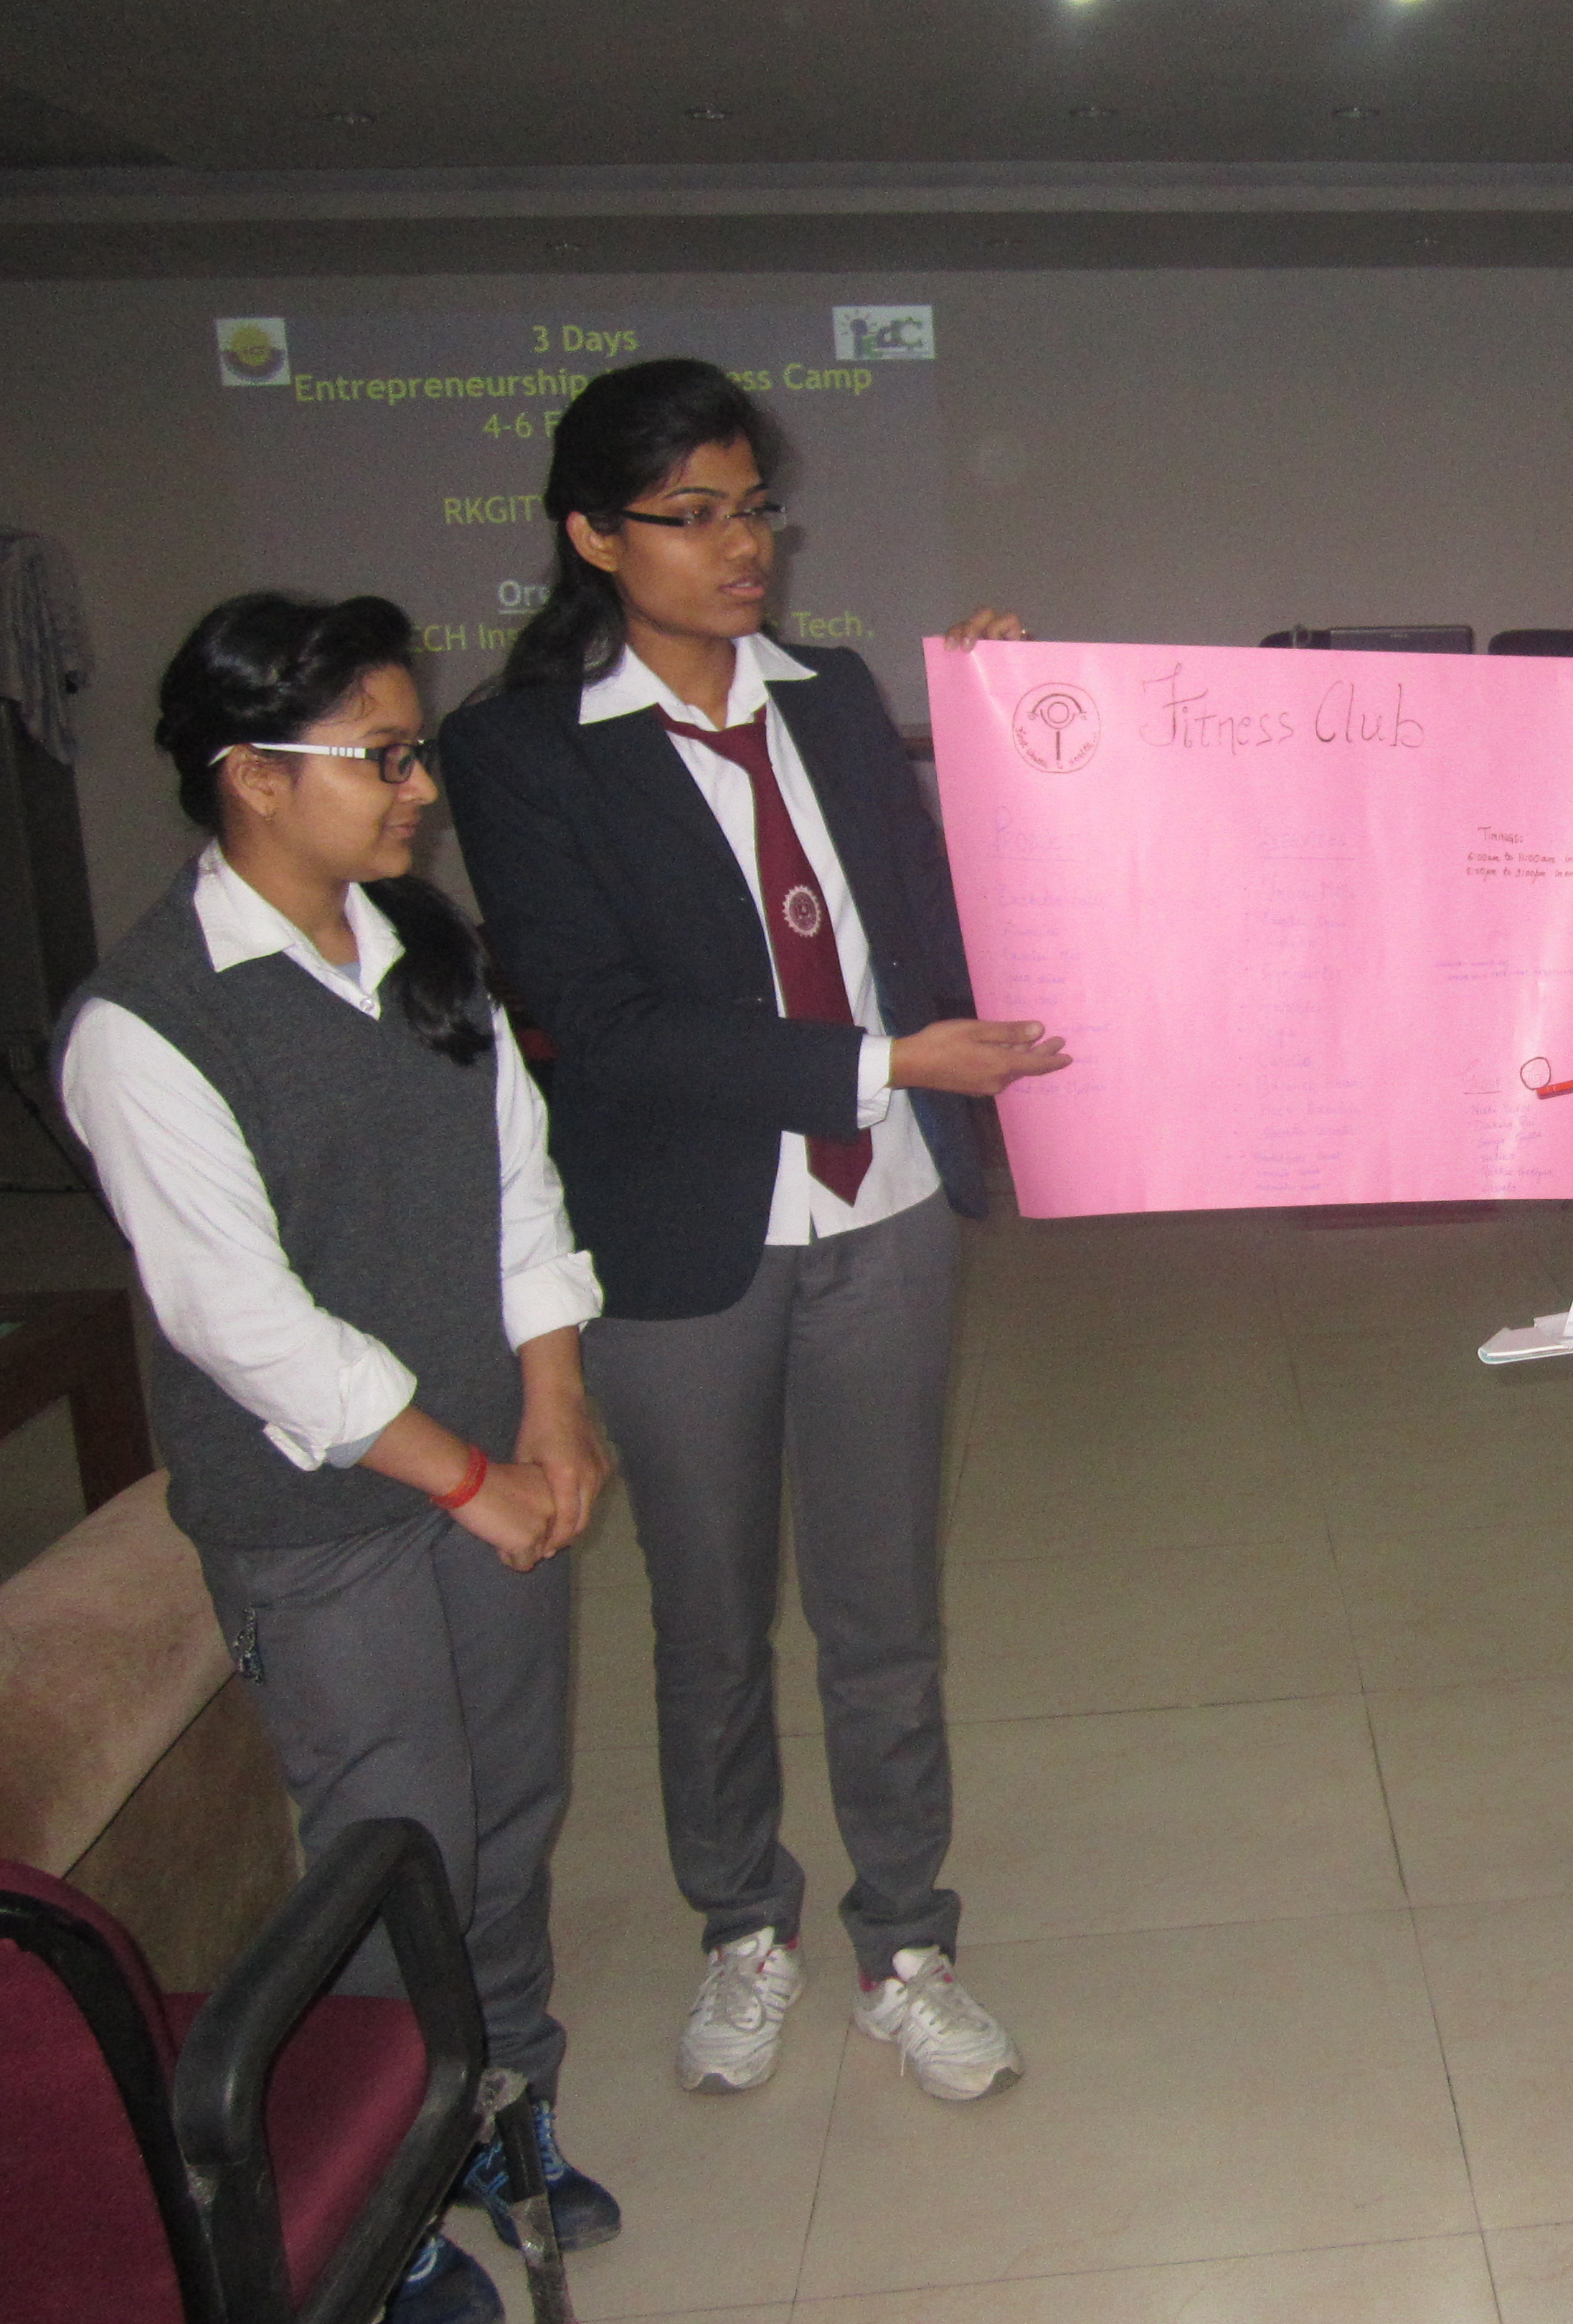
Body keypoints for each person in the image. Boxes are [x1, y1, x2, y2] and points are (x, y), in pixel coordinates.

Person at [440, 358, 1069, 2107]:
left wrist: (1017, 736)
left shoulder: (836, 696)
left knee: (884, 1615)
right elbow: (598, 1024)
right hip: (682, 1237)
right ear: (592, 534)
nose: (743, 549)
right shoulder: (518, 749)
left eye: (755, 510)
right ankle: (742, 1921)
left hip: (888, 1211)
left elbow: (931, 907)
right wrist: (882, 1064)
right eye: (692, 516)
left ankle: (908, 1941)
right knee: (709, 1620)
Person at [60, 592, 615, 2324]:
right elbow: (244, 1323)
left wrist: (556, 1404)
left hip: (490, 1462)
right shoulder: (146, 1023)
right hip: (322, 1515)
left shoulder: (420, 948)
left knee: (508, 1810)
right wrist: (468, 1475)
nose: (419, 789)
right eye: (382, 757)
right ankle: (389, 2201)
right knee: (390, 1844)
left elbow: (520, 1183)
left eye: (413, 750)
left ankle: (503, 2105)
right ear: (251, 776)